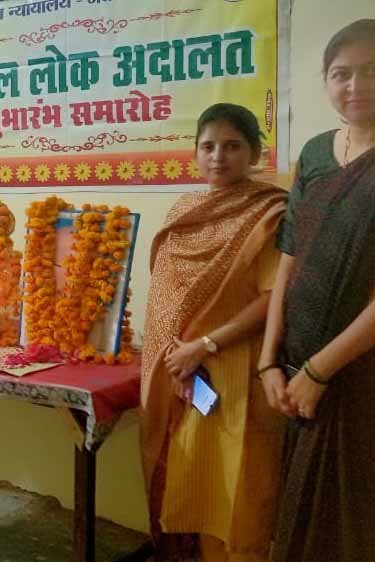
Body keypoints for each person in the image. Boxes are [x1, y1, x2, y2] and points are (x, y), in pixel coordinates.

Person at [140, 104, 288, 561]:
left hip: (241, 370)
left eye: (232, 146)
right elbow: (166, 295)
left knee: (241, 496)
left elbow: (273, 298)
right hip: (185, 376)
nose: (218, 157)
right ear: (195, 154)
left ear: (255, 153)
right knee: (197, 490)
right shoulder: (184, 210)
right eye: (208, 147)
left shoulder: (271, 214)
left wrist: (204, 345)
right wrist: (178, 355)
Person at [258, 19, 375, 562]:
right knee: (301, 518)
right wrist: (269, 360)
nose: (357, 85)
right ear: (326, 80)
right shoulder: (315, 153)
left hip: (358, 377)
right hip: (298, 371)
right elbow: (288, 261)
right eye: (342, 73)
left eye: (372, 70)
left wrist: (320, 371)